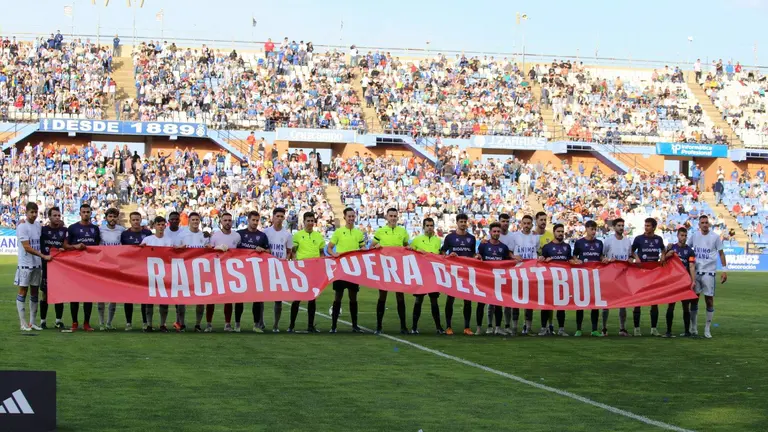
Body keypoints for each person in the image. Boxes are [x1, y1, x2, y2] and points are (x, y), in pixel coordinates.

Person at [686, 215, 727, 338]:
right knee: (694, 300)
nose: (704, 224)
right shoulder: (694, 236)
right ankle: (693, 327)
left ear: (709, 224)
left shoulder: (715, 237)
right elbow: (687, 249)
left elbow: (721, 253)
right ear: (699, 225)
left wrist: (724, 270)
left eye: (706, 222)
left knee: (709, 300)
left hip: (709, 273)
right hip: (696, 272)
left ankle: (707, 328)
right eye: (702, 222)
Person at [372, 208, 411, 335]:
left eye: (395, 216)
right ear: (386, 217)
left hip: (398, 268)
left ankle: (403, 326)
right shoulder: (380, 231)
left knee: (400, 296)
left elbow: (406, 246)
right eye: (391, 216)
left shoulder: (402, 231)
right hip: (384, 268)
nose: (393, 218)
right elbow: (371, 247)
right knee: (382, 296)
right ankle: (378, 326)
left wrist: (408, 248)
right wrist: (375, 247)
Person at [63, 204, 102, 332]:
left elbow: (98, 247)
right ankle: (74, 322)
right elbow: (65, 245)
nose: (86, 214)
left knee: (88, 295)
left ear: (91, 213)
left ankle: (86, 323)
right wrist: (75, 246)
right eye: (83, 212)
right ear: (80, 213)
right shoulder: (73, 228)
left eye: (88, 212)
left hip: (90, 266)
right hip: (76, 266)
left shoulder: (95, 229)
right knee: (74, 295)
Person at [327, 208, 366, 333]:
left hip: (354, 269)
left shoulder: (358, 233)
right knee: (338, 296)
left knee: (353, 297)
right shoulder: (339, 232)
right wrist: (334, 254)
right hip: (341, 268)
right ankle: (333, 326)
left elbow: (363, 247)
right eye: (349, 216)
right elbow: (329, 248)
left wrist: (366, 250)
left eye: (353, 216)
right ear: (344, 217)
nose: (351, 218)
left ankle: (354, 325)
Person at [15, 203, 51, 331]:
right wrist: (42, 255)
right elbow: (27, 247)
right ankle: (22, 322)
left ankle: (32, 322)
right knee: (23, 291)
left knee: (35, 292)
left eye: (36, 212)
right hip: (25, 264)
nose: (34, 214)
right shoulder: (22, 226)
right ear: (26, 212)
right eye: (32, 212)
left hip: (37, 264)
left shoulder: (37, 225)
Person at [289, 212, 326, 333]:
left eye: (312, 221)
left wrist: (322, 262)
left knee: (312, 298)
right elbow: (293, 251)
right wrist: (294, 260)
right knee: (297, 297)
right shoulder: (298, 235)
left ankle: (310, 325)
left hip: (314, 269)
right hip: (301, 269)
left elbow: (321, 252)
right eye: (308, 221)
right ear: (303, 222)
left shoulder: (318, 236)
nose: (310, 223)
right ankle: (291, 325)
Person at [440, 213, 476, 336]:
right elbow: (443, 251)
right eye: (461, 221)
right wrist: (449, 255)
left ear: (467, 223)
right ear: (457, 222)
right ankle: (448, 326)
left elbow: (472, 254)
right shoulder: (450, 237)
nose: (463, 224)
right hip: (453, 272)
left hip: (466, 272)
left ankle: (467, 327)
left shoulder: (471, 238)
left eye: (465, 222)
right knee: (450, 299)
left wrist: (477, 257)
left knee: (468, 300)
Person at [205, 213, 242, 332]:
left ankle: (227, 324)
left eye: (229, 220)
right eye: (225, 220)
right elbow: (210, 252)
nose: (227, 222)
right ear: (221, 221)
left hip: (230, 271)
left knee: (228, 298)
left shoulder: (237, 236)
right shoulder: (215, 236)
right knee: (211, 298)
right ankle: (209, 324)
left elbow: (241, 252)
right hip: (215, 270)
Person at [538, 223, 577, 336]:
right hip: (549, 280)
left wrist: (574, 262)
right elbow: (541, 261)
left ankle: (561, 329)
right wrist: (544, 260)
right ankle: (543, 328)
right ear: (554, 232)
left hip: (562, 281)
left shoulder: (567, 247)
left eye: (562, 231)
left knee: (561, 305)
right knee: (546, 305)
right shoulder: (547, 247)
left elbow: (569, 260)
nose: (560, 233)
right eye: (558, 231)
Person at [408, 217, 444, 335]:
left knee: (434, 301)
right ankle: (414, 327)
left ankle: (438, 327)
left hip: (433, 275)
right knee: (419, 300)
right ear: (423, 227)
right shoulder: (416, 240)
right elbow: (409, 255)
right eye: (427, 225)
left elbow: (440, 256)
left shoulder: (437, 241)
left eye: (431, 225)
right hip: (421, 274)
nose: (429, 228)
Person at [475, 222, 512, 335]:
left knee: (498, 304)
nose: (496, 233)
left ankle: (497, 327)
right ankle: (479, 328)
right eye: (494, 231)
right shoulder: (483, 245)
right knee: (481, 303)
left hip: (498, 280)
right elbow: (478, 258)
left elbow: (507, 263)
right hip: (485, 279)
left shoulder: (503, 247)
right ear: (490, 232)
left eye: (498, 231)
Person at [631, 218, 666, 336]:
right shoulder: (639, 239)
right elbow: (631, 250)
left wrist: (663, 256)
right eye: (645, 225)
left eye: (648, 226)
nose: (646, 228)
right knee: (638, 301)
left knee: (654, 301)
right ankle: (636, 329)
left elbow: (663, 249)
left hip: (654, 273)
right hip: (640, 273)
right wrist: (636, 257)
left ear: (654, 227)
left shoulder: (658, 239)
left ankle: (654, 329)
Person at [236, 211, 270, 333]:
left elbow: (268, 252)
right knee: (239, 298)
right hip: (241, 271)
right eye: (253, 220)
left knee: (257, 298)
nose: (255, 222)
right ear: (248, 220)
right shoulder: (239, 234)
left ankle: (256, 325)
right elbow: (232, 250)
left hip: (256, 272)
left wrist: (263, 250)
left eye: (257, 220)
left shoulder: (262, 236)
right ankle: (237, 325)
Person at [140, 216, 175, 332]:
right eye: (158, 224)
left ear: (165, 226)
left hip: (165, 274)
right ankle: (149, 324)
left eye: (162, 224)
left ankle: (162, 324)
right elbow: (139, 254)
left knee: (164, 301)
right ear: (154, 226)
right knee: (149, 301)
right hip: (150, 273)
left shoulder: (170, 240)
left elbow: (173, 256)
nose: (160, 227)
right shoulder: (148, 240)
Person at [176, 212, 209, 332]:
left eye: (197, 220)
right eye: (193, 219)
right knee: (182, 299)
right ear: (189, 220)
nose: (195, 221)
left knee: (200, 300)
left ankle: (198, 324)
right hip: (184, 271)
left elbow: (207, 251)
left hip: (200, 272)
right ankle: (182, 323)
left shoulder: (204, 235)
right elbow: (175, 251)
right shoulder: (182, 235)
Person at [121, 211, 153, 331]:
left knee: (144, 297)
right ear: (130, 221)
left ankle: (145, 322)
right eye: (133, 220)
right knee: (128, 297)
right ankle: (128, 323)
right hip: (129, 269)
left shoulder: (147, 233)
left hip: (144, 269)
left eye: (137, 219)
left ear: (141, 220)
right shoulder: (124, 234)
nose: (136, 222)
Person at [572, 220, 604, 337]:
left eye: (595, 229)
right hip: (583, 276)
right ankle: (578, 329)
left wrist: (603, 259)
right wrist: (576, 260)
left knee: (595, 303)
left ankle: (594, 329)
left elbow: (600, 256)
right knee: (581, 303)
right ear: (586, 229)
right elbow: (574, 255)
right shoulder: (579, 243)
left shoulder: (599, 243)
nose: (594, 232)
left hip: (595, 277)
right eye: (592, 229)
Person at [602, 218, 633, 336]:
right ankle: (604, 328)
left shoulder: (627, 241)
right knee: (606, 304)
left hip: (623, 276)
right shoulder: (608, 241)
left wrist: (631, 259)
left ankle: (622, 328)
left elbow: (630, 256)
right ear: (614, 227)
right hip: (610, 276)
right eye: (619, 225)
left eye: (622, 225)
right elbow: (602, 256)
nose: (621, 227)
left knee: (623, 304)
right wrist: (608, 260)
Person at [264, 208, 293, 332]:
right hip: (266, 267)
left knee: (278, 299)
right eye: (278, 216)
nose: (280, 218)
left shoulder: (287, 234)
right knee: (261, 297)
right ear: (273, 217)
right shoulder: (265, 232)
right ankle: (260, 322)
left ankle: (276, 324)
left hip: (280, 269)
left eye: (282, 216)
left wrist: (286, 259)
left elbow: (289, 251)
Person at [664, 227, 696, 338]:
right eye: (681, 235)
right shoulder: (671, 247)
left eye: (685, 235)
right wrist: (667, 254)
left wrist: (693, 281)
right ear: (677, 236)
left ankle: (686, 331)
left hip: (685, 281)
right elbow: (662, 261)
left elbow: (691, 266)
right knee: (671, 305)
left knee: (685, 306)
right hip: (673, 281)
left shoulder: (690, 251)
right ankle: (668, 331)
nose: (684, 238)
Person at [508, 214, 538, 335]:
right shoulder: (515, 236)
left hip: (531, 273)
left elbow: (536, 252)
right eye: (524, 223)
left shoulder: (535, 238)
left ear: (532, 225)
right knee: (516, 300)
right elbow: (509, 252)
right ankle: (514, 327)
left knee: (529, 300)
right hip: (517, 272)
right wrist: (514, 256)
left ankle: (528, 327)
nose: (526, 225)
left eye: (528, 223)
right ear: (521, 224)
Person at [39, 207, 68, 329]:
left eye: (58, 215)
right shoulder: (43, 230)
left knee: (59, 293)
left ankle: (58, 320)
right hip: (47, 266)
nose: (57, 217)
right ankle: (43, 321)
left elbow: (67, 245)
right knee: (45, 294)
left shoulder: (64, 230)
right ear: (49, 217)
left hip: (59, 267)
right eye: (54, 215)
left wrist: (64, 248)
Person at [98, 208, 125, 331]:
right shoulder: (100, 230)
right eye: (110, 216)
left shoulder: (122, 230)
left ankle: (109, 323)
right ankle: (101, 322)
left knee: (113, 295)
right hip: (103, 265)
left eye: (114, 216)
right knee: (101, 295)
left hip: (116, 266)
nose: (112, 219)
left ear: (117, 218)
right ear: (106, 218)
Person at [534, 211, 554, 333]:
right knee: (528, 297)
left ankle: (550, 325)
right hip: (533, 271)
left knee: (549, 299)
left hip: (548, 272)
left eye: (545, 220)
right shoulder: (532, 235)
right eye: (541, 219)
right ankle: (526, 325)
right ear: (536, 220)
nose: (543, 222)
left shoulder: (551, 236)